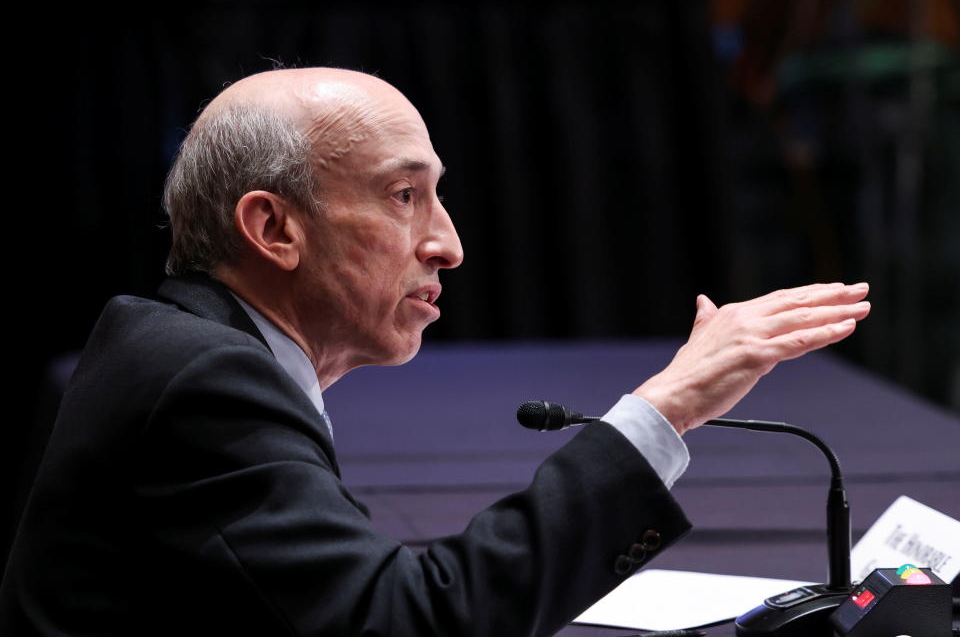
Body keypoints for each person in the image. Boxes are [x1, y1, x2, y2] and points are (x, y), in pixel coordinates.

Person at [0, 68, 870, 636]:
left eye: (436, 195)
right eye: (403, 196)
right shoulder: (205, 382)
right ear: (273, 227)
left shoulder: (175, 341)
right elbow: (408, 625)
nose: (447, 244)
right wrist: (669, 405)